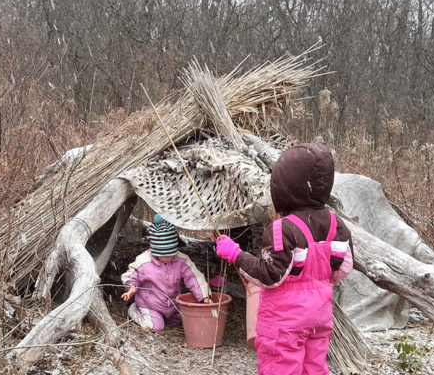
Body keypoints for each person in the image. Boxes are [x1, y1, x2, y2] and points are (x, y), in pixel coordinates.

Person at [215, 143, 354, 374]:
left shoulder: (282, 229)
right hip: (319, 317)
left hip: (284, 322)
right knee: (314, 369)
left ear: (283, 186)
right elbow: (341, 270)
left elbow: (270, 276)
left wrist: (235, 254)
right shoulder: (336, 224)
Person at [121, 214, 212, 331]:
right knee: (156, 326)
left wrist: (204, 296)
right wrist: (132, 287)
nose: (167, 258)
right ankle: (134, 310)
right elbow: (131, 274)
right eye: (163, 255)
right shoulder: (144, 261)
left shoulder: (181, 260)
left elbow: (194, 277)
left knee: (186, 319)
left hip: (173, 304)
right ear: (155, 251)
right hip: (149, 304)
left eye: (170, 254)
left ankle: (167, 316)